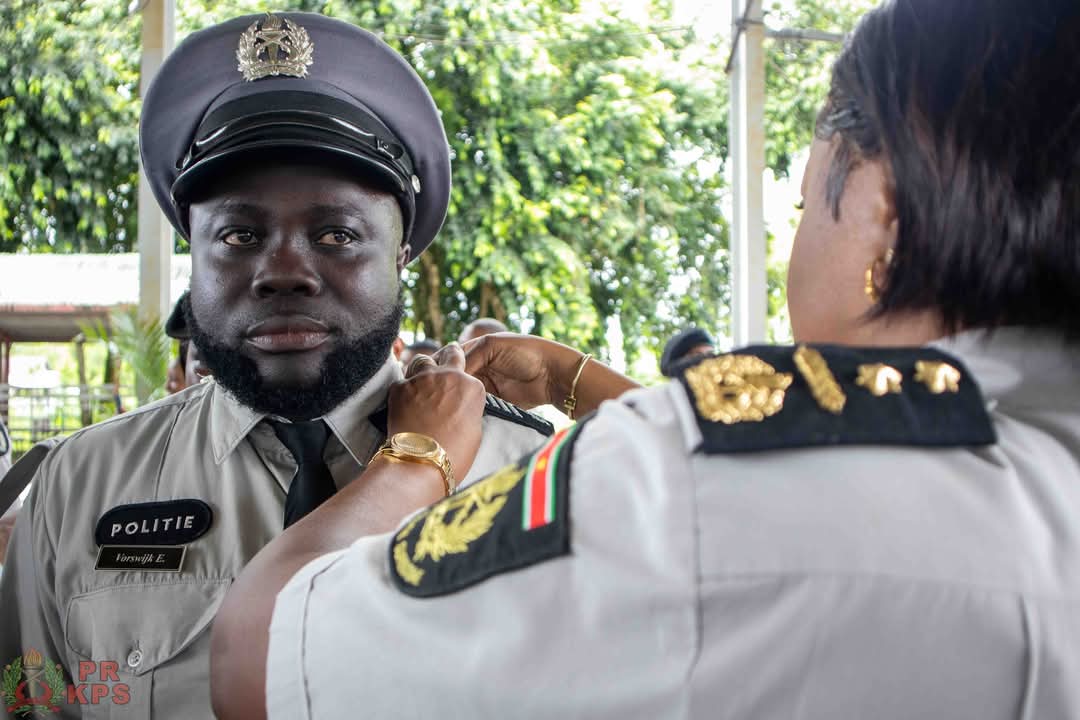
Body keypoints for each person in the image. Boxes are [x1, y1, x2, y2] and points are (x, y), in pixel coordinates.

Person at [212, 0, 1080, 717]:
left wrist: (419, 455)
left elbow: (262, 651)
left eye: (807, 201)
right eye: (240, 234)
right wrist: (578, 381)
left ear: (882, 207)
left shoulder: (680, 489)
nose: (286, 271)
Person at [0, 13, 554, 719]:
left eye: (337, 234)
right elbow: (29, 703)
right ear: (194, 256)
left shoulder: (533, 478)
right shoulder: (80, 485)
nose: (283, 271)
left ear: (401, 256)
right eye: (239, 234)